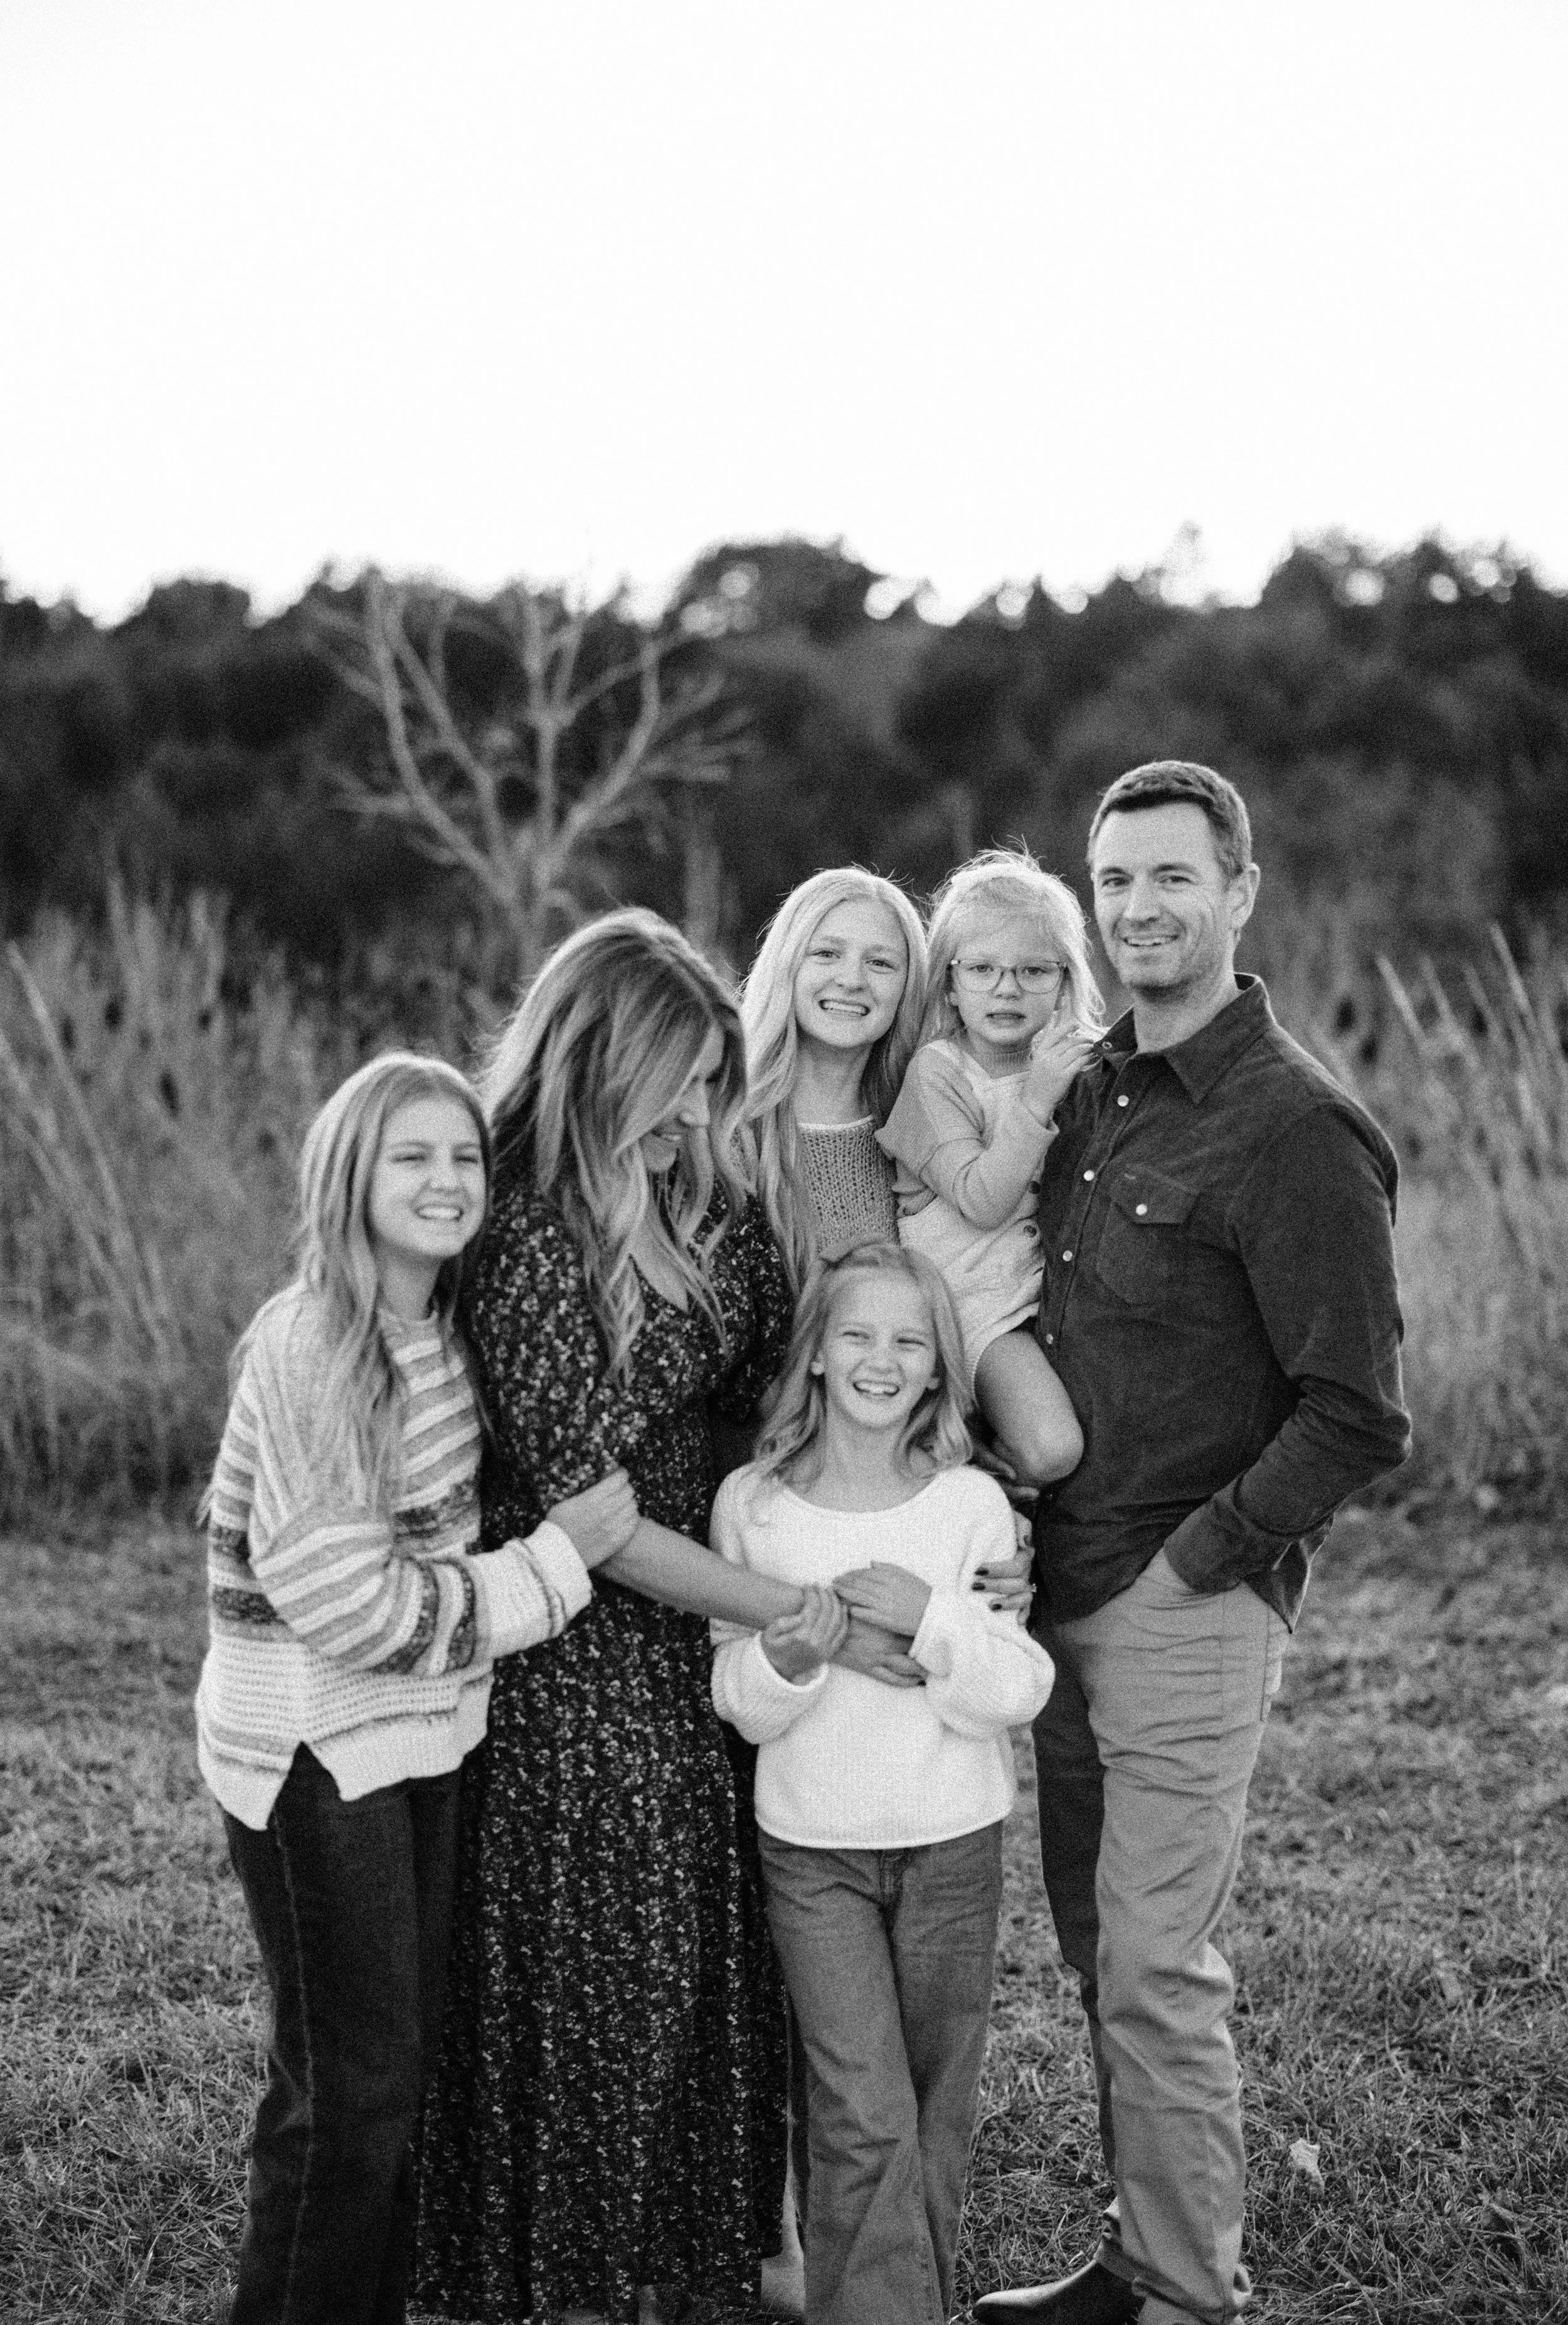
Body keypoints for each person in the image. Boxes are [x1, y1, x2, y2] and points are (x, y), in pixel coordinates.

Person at [973, 763, 1411, 2325]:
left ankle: (1189, 2297)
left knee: (1157, 1964)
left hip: (1180, 1601)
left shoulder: (1293, 1127)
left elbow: (1359, 1408)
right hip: (1060, 1599)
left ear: (1237, 892)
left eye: (1170, 877)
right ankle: (1139, 2252)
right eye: (1115, 880)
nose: (1138, 907)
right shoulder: (1090, 1089)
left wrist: (1201, 1562)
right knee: (1105, 1955)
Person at [416, 910, 852, 2325]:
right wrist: (790, 1602)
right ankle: (572, 2268)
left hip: (709, 1604)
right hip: (576, 1638)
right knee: (610, 1947)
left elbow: (774, 1376)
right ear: (606, 1060)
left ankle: (704, 2250)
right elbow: (591, 1523)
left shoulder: (696, 1187)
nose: (695, 1115)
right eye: (677, 1084)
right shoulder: (520, 1228)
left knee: (719, 1940)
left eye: (710, 1085)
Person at [196, 1051, 640, 2325]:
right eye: (413, 1156)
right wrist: (559, 1566)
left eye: (462, 1156)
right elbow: (354, 1605)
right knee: (347, 2097)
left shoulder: (443, 1334)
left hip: (422, 1740)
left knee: (397, 2081)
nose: (446, 1180)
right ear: (352, 1175)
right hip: (316, 1756)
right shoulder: (313, 1343)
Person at [709, 1242, 1057, 2325]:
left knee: (931, 2113)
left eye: (910, 1341)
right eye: (856, 1334)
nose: (881, 1358)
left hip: (954, 1845)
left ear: (939, 1369)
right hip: (812, 1853)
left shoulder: (967, 1508)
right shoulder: (755, 1507)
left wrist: (932, 1616)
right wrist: (789, 1659)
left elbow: (1016, 1687)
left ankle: (896, 2305)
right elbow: (737, 1696)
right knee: (862, 2112)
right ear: (813, 1354)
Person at [877, 849, 1098, 1488]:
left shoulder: (1065, 1065)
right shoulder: (938, 1072)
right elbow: (981, 1199)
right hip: (970, 1305)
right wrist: (1037, 1100)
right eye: (982, 969)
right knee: (1053, 1449)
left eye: (1033, 970)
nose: (1007, 988)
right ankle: (965, 1465)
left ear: (1065, 981)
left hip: (1052, 1294)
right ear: (949, 981)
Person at [743, 864, 928, 1285]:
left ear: (909, 987)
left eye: (880, 963)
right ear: (787, 964)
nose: (851, 981)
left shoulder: (921, 1136)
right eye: (826, 953)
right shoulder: (727, 1130)